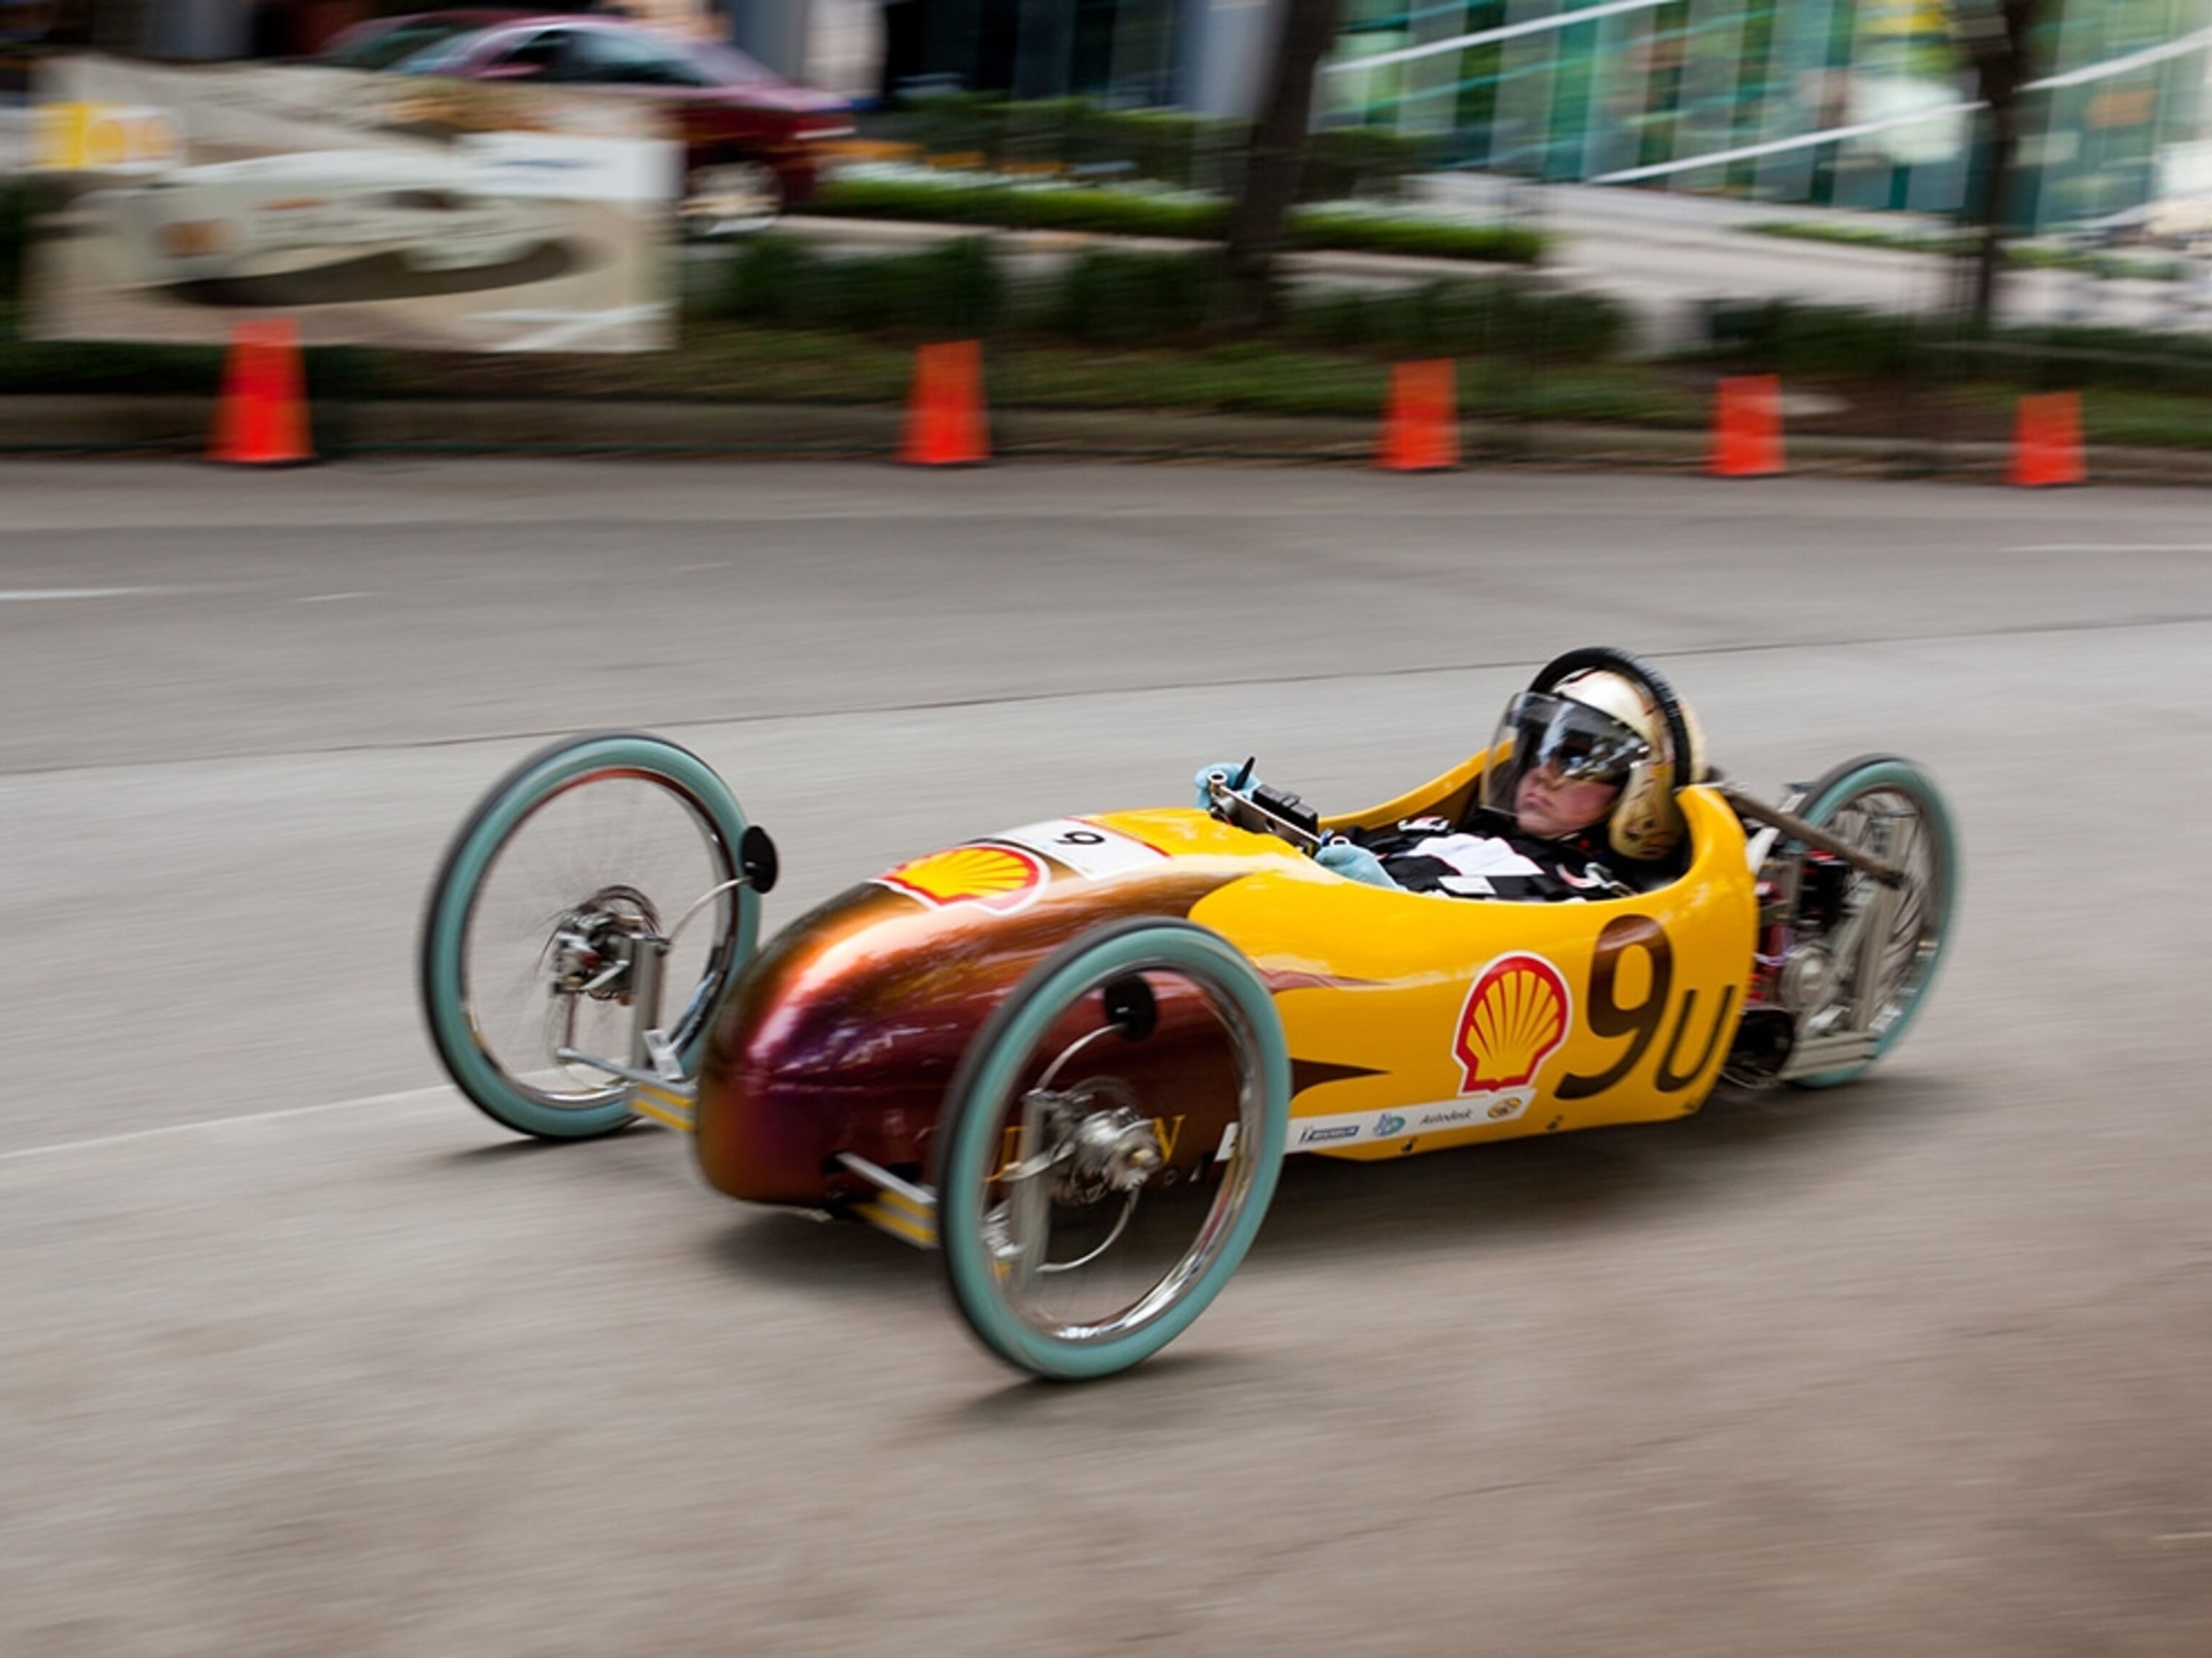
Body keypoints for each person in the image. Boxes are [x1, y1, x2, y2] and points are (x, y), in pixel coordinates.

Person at [1197, 662, 1701, 902]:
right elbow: (1336, 849)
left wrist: (1388, 897)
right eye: (1542, 749)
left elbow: (1494, 933)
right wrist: (1254, 814)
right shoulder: (1447, 829)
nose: (1544, 771)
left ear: (1639, 796)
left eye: (1577, 759)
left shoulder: (1582, 890)